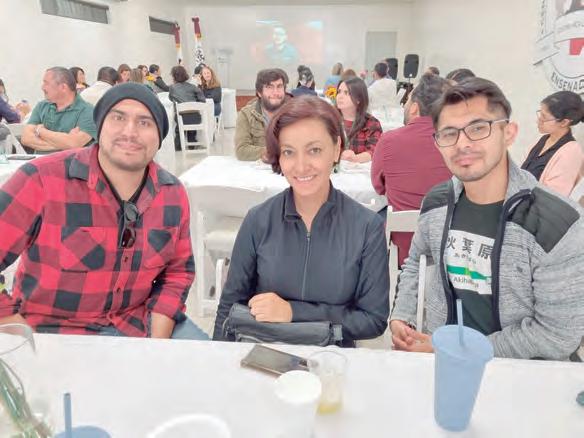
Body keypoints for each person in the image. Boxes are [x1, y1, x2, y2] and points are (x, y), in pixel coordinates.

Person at [390, 77, 584, 361]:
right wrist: (402, 315)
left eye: (478, 128)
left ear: (509, 133)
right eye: (449, 134)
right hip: (442, 361)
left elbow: (557, 336)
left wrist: (459, 349)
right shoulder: (437, 202)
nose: (462, 144)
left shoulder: (558, 223)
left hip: (520, 371)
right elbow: (415, 262)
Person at [0, 83, 208, 340]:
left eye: (144, 123)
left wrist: (156, 346)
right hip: (51, 331)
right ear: (99, 127)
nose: (130, 132)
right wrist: (18, 332)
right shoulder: (41, 180)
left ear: (159, 137)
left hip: (138, 322)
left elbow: (178, 273)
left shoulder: (171, 193)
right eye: (118, 118)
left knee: (208, 361)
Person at [213, 96, 389, 345]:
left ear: (336, 148)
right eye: (288, 152)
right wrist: (218, 358)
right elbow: (229, 308)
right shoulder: (258, 220)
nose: (301, 166)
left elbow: (373, 319)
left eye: (314, 150)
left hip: (332, 357)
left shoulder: (367, 227)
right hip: (264, 352)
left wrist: (293, 312)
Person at [372, 73, 452, 267]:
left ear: (415, 107)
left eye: (407, 100)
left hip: (403, 252)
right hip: (448, 251)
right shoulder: (455, 143)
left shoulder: (389, 141)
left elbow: (378, 187)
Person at [521, 91, 584, 196]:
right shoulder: (543, 139)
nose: (538, 121)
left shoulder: (571, 152)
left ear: (564, 122)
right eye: (540, 114)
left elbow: (551, 198)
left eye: (544, 117)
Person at [21, 67, 96, 152]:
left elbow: (73, 143)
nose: (42, 87)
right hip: (40, 160)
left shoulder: (88, 111)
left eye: (46, 83)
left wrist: (40, 131)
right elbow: (26, 138)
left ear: (63, 87)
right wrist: (64, 143)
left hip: (69, 161)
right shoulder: (41, 106)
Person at [235, 68, 288, 161]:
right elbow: (241, 150)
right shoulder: (246, 114)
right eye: (269, 87)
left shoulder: (295, 113)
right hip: (259, 168)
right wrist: (274, 152)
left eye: (279, 86)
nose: (275, 92)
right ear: (259, 93)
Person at [336, 77, 382, 163]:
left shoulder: (371, 123)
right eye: (339, 92)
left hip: (360, 169)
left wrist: (355, 158)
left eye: (346, 93)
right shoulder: (329, 119)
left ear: (358, 99)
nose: (340, 97)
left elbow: (374, 151)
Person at [169, 65, 206, 151]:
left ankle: (178, 145)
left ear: (174, 76)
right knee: (191, 118)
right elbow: (202, 100)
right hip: (196, 118)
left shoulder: (172, 88)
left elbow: (170, 98)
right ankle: (192, 144)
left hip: (181, 118)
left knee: (179, 125)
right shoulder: (193, 87)